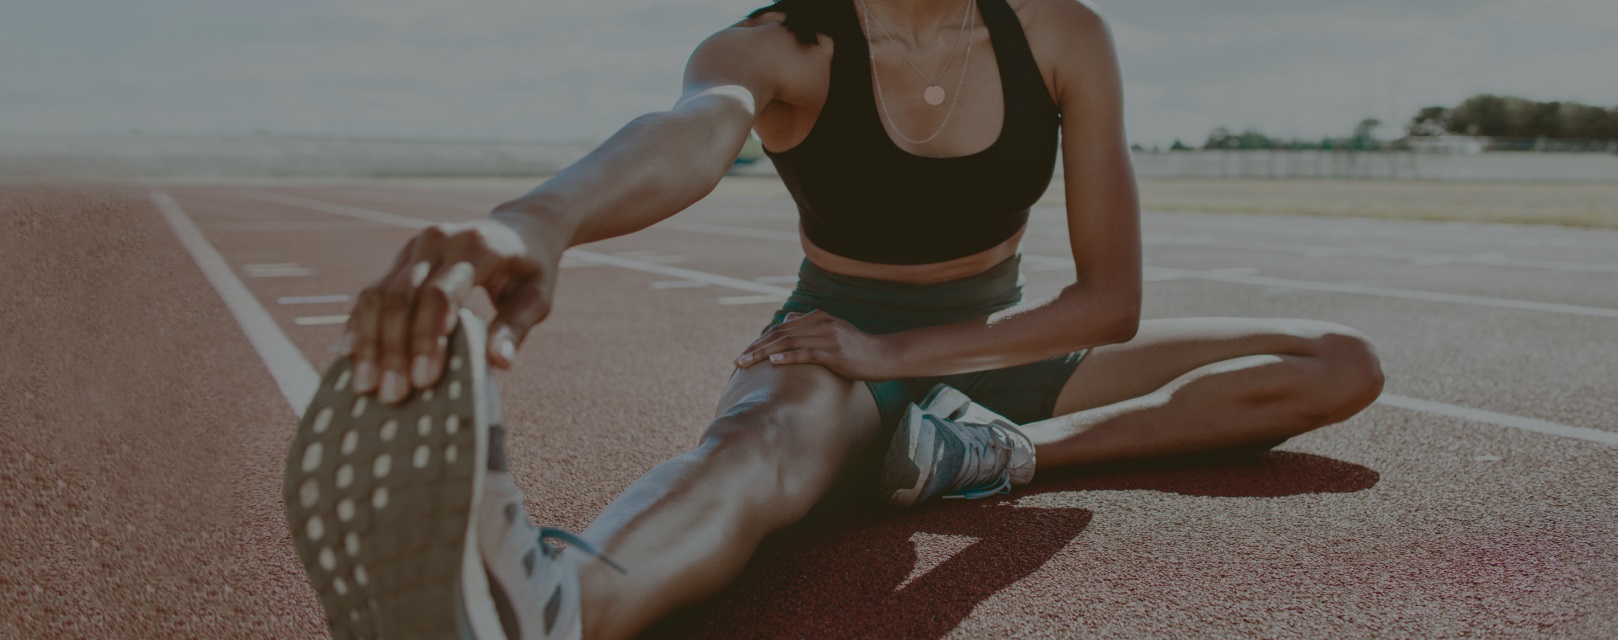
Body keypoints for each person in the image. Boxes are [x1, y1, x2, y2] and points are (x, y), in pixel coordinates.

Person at [280, 0, 1386, 637]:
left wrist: (906, 353)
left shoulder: (1060, 35)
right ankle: (554, 599)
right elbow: (689, 134)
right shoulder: (779, 48)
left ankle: (985, 454)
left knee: (1336, 362)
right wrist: (541, 220)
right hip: (828, 355)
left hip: (1002, 349)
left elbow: (1110, 302)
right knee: (746, 459)